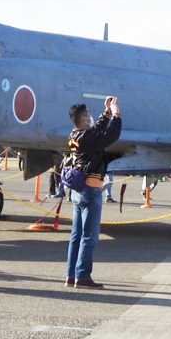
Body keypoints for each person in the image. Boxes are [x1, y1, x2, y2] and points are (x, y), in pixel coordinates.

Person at [64, 97, 122, 289]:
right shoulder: (88, 139)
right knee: (90, 235)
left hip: (79, 190)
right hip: (91, 188)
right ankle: (83, 276)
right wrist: (116, 114)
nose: (90, 118)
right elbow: (110, 135)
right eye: (88, 116)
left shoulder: (74, 135)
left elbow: (96, 132)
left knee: (76, 234)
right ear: (82, 120)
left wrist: (105, 113)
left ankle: (71, 275)